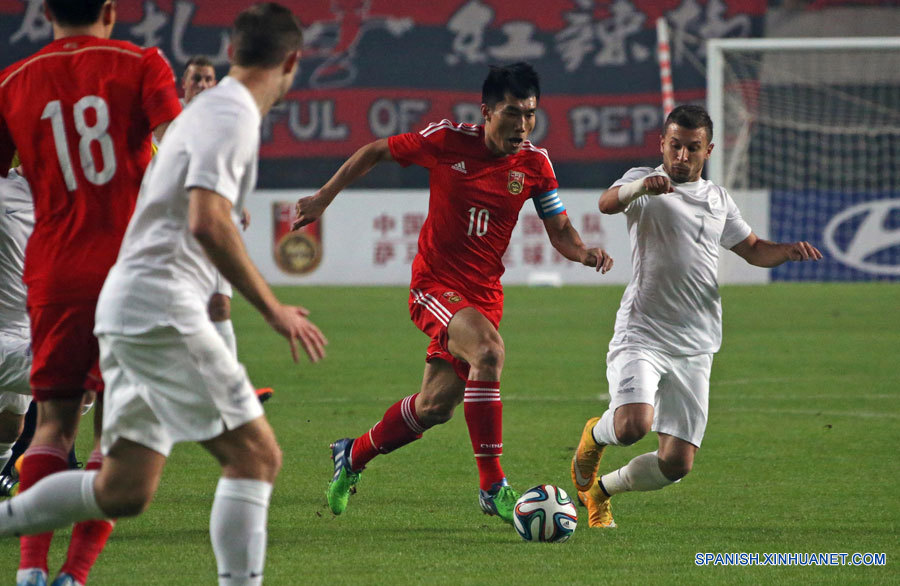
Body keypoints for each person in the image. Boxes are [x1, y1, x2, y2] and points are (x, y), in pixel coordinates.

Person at [0, 4, 326, 585]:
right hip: (158, 306)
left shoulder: (209, 110)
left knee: (123, 489)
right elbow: (207, 221)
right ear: (294, 62)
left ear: (229, 53)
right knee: (256, 456)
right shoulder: (227, 114)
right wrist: (274, 310)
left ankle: (17, 535)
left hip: (105, 293)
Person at [294, 62, 614, 524]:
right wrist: (324, 197)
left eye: (530, 114)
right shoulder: (446, 141)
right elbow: (374, 151)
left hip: (483, 299)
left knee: (434, 408)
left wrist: (583, 253)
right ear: (486, 111)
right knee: (489, 352)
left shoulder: (535, 164)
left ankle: (353, 454)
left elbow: (559, 228)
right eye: (511, 113)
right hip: (434, 286)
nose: (522, 125)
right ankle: (493, 486)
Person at [570, 104, 822, 528]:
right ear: (662, 144)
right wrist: (640, 190)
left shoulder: (718, 199)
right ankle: (594, 437)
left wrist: (787, 251)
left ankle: (601, 491)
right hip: (643, 332)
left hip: (696, 342)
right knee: (633, 425)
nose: (681, 157)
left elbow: (753, 248)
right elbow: (607, 203)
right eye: (674, 146)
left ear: (708, 150)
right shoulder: (641, 182)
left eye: (692, 148)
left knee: (677, 464)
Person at [0, 0, 183, 583]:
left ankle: (30, 571)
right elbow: (180, 149)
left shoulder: (13, 81)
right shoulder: (141, 63)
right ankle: (75, 574)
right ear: (109, 10)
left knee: (52, 424)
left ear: (47, 10)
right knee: (114, 431)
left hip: (53, 274)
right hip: (127, 275)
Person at [179, 56, 273, 403]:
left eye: (208, 79)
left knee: (219, 305)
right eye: (196, 80)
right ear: (183, 85)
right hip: (176, 226)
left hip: (213, 216)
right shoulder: (169, 121)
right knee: (179, 308)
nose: (203, 85)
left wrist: (232, 203)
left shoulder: (219, 120)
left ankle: (232, 388)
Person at [0, 160, 34, 492]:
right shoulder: (5, 189)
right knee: (86, 372)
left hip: (29, 331)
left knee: (9, 427)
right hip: (5, 336)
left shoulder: (66, 200)